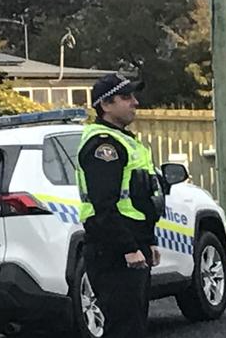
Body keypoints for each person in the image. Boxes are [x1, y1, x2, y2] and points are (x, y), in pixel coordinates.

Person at [75, 73, 165, 338]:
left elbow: (139, 198)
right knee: (124, 328)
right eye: (126, 97)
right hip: (112, 250)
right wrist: (127, 248)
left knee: (134, 324)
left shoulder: (124, 140)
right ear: (106, 105)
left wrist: (147, 241)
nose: (134, 102)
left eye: (133, 96)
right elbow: (104, 205)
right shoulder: (103, 146)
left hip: (131, 244)